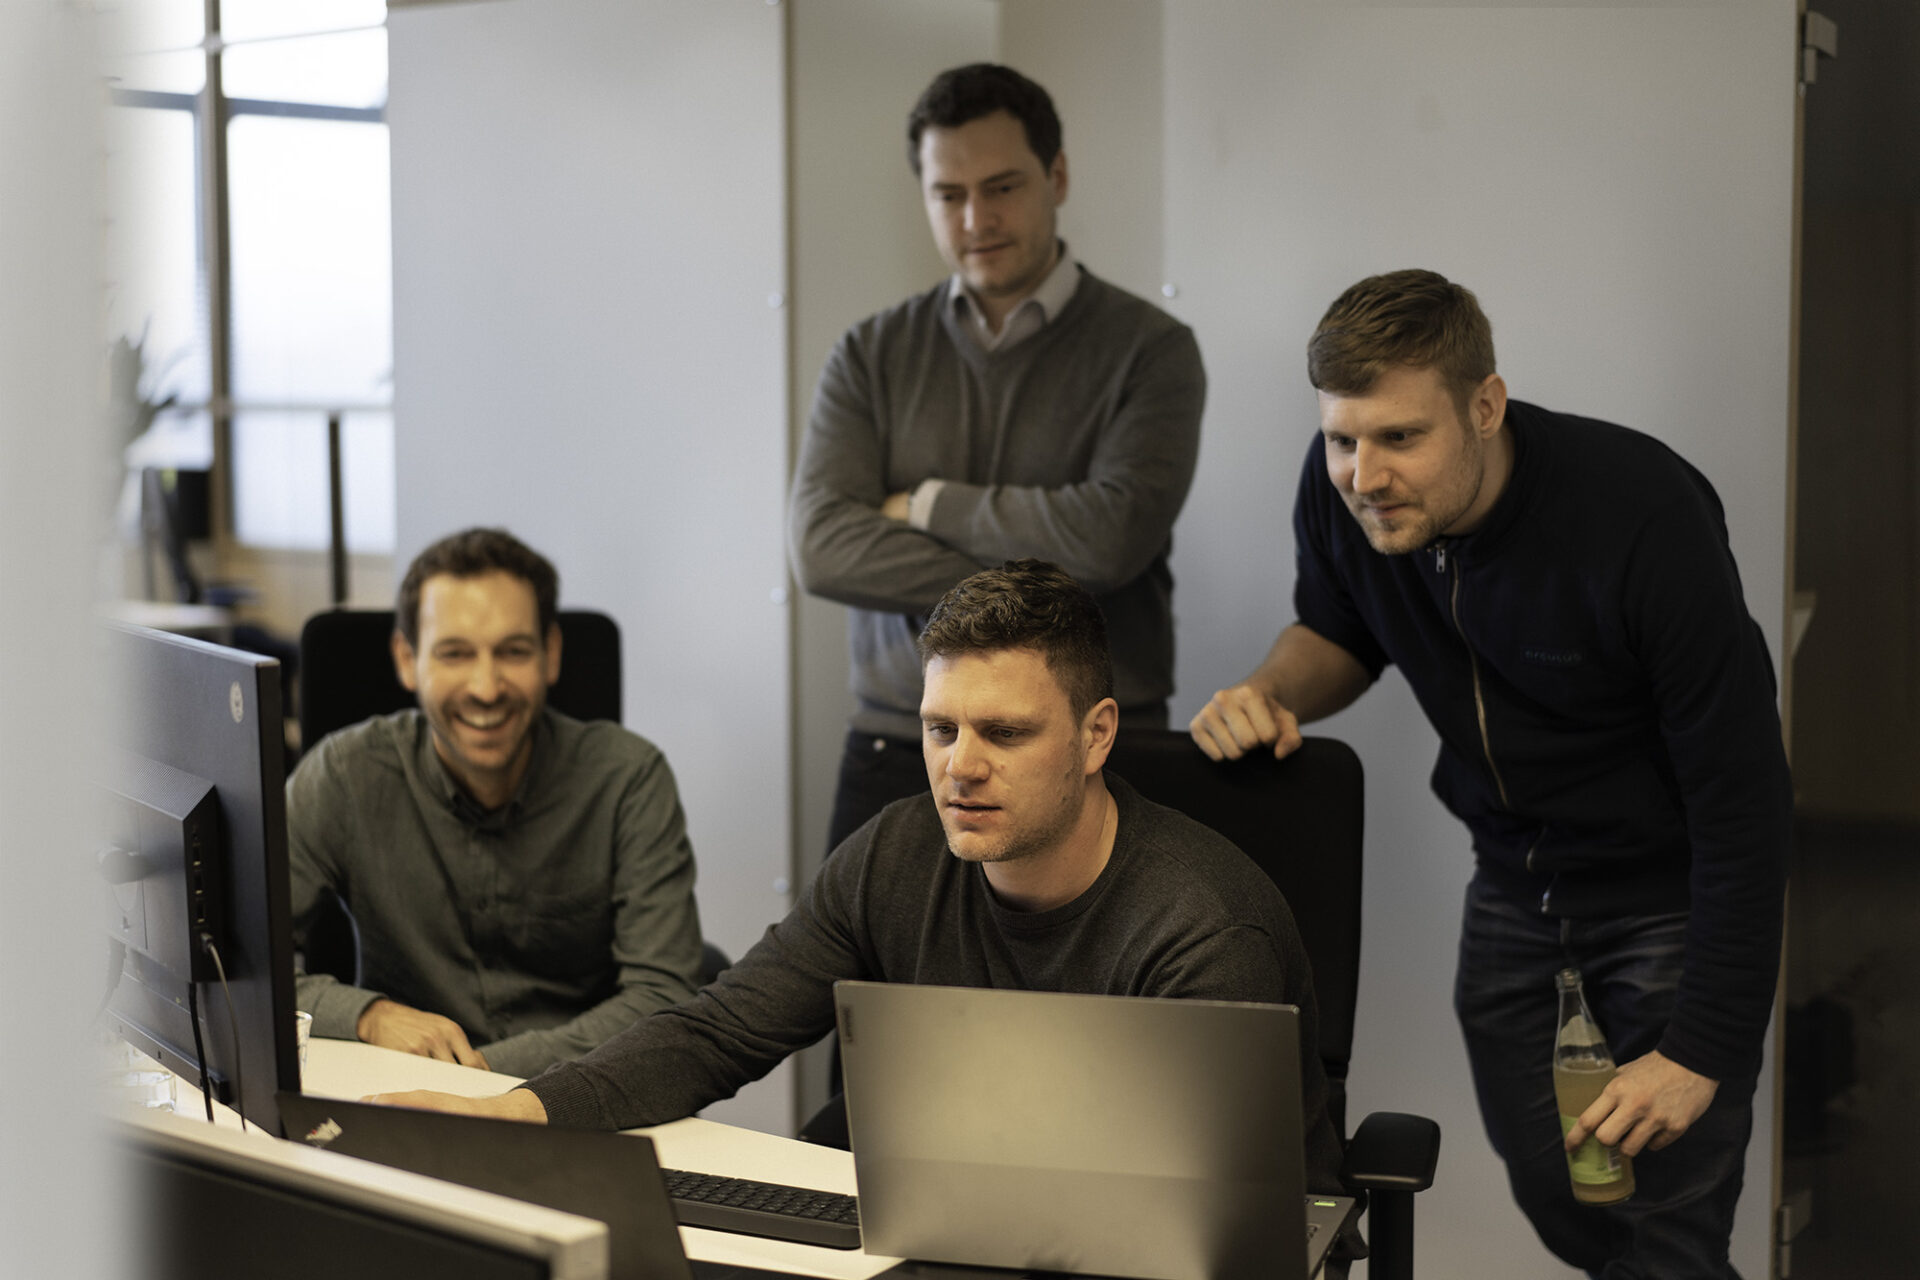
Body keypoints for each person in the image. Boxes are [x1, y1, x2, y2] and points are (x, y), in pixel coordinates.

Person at [373, 560, 1343, 1192]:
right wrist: (514, 1116)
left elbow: (1198, 1212)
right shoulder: (898, 851)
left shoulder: (1202, 929)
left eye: (1004, 732)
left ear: (1096, 734)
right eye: (940, 727)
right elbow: (719, 1029)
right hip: (970, 1207)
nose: (960, 765)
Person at [1189, 270, 1791, 1276]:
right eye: (1344, 438)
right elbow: (1341, 628)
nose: (1364, 475)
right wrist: (1271, 688)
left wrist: (1702, 1051)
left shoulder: (1642, 513)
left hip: (1663, 902)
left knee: (1669, 1232)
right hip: (1513, 892)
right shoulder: (1342, 488)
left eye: (1400, 438)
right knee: (1566, 1200)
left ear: (1485, 406)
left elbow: (1745, 800)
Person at [789, 62, 1206, 853]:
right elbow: (820, 546)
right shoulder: (869, 354)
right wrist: (1052, 593)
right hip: (902, 744)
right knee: (861, 981)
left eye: (1004, 186)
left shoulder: (1152, 352)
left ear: (1058, 176)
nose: (976, 217)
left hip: (1093, 749)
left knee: (1086, 981)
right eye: (949, 195)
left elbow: (1112, 539)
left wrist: (923, 506)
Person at [288, 527, 705, 1079]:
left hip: (582, 1106)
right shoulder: (346, 775)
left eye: (512, 652)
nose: (486, 687)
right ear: (408, 659)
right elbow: (240, 962)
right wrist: (367, 1015)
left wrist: (477, 1074)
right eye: (455, 654)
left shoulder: (628, 780)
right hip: (404, 1106)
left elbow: (661, 998)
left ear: (551, 655)